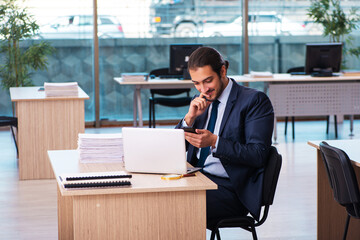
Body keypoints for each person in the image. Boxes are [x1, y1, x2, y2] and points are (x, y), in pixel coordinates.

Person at [175, 46, 274, 229]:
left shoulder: (254, 101)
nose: (203, 89)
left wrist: (214, 142)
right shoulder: (202, 102)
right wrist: (189, 119)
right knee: (157, 196)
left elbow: (258, 154)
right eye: (196, 83)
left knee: (175, 206)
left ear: (222, 71)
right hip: (198, 177)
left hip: (232, 190)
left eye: (208, 81)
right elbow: (172, 148)